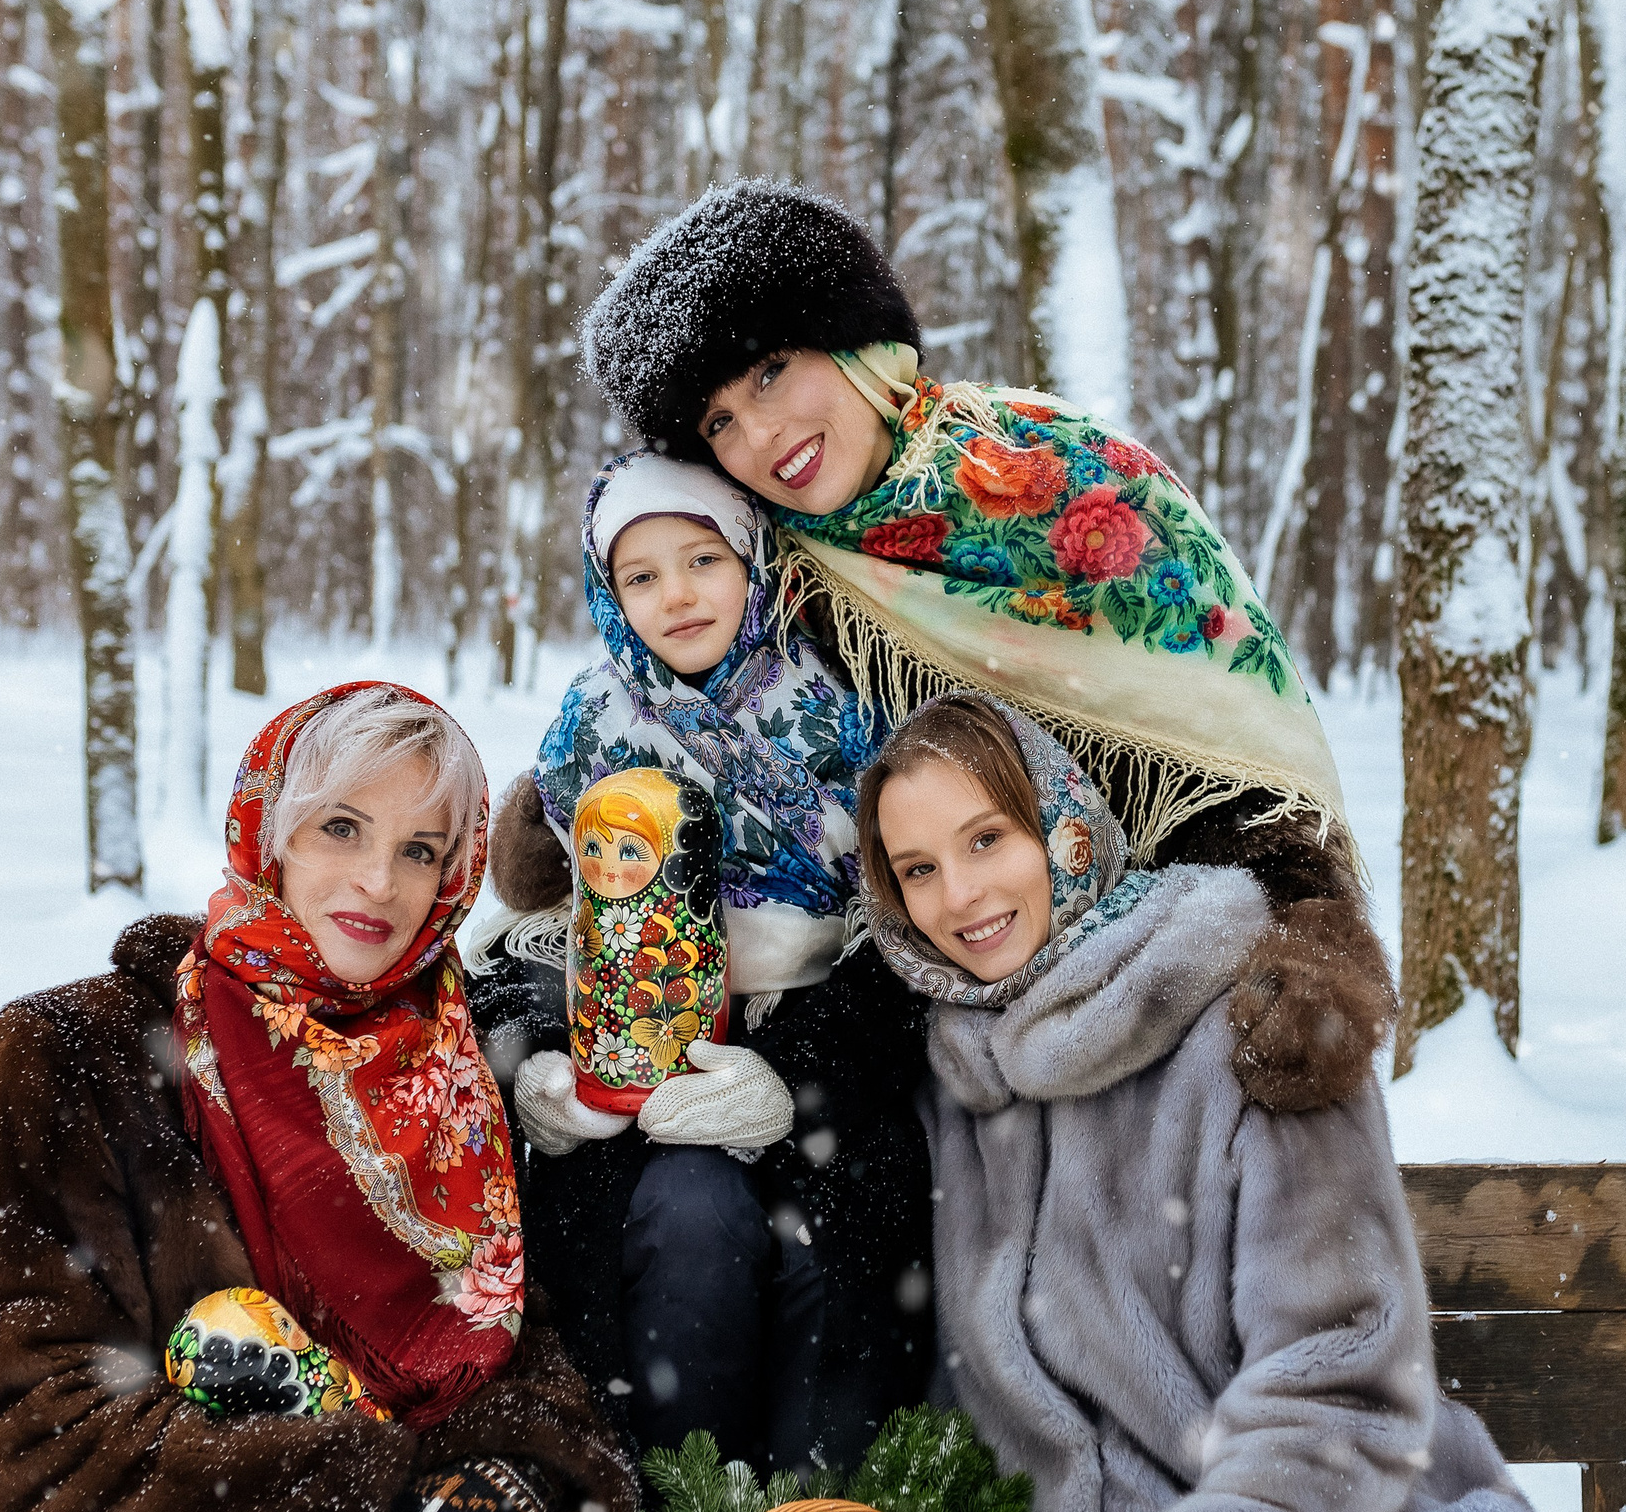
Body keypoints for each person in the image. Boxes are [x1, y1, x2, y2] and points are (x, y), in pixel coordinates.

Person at [575, 177, 1393, 1117]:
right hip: (935, 1005)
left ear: (851, 340)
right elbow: (666, 715)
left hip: (1170, 953)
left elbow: (1229, 741)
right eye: (718, 421)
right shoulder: (769, 571)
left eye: (769, 372)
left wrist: (1307, 932)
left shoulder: (1073, 478)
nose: (762, 436)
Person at [0, 683, 681, 1512]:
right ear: (269, 832)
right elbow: (28, 1424)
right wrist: (374, 1493)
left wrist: (514, 1471)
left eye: (420, 851)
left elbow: (514, 1352)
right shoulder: (78, 1053)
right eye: (341, 828)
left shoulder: (443, 1064)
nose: (379, 881)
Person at [856, 695, 1541, 1512]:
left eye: (987, 840)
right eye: (919, 870)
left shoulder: (1255, 1026)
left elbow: (1342, 1386)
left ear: (1068, 830)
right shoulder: (950, 1081)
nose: (960, 897)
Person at [468, 455, 934, 1479]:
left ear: (758, 562)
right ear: (607, 591)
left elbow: (913, 937)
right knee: (685, 1212)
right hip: (629, 1079)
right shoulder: (590, 728)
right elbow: (518, 937)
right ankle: (671, 1509)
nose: (674, 595)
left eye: (701, 559)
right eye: (640, 575)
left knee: (829, 1232)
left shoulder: (850, 715)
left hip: (819, 1060)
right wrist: (543, 1060)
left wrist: (794, 1077)